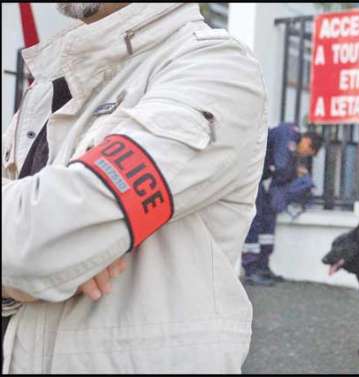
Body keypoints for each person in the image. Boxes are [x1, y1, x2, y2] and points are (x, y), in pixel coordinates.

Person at [1, 3, 267, 373]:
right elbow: (29, 244)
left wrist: (40, 252)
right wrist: (18, 282)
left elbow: (36, 243)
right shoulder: (48, 86)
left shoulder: (213, 67)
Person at [241, 123, 323, 286]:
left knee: (267, 219)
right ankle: (250, 269)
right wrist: (296, 173)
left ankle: (262, 267)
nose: (304, 155)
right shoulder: (289, 135)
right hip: (249, 174)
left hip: (258, 177)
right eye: (309, 153)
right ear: (307, 142)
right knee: (256, 220)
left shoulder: (292, 142)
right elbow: (281, 166)